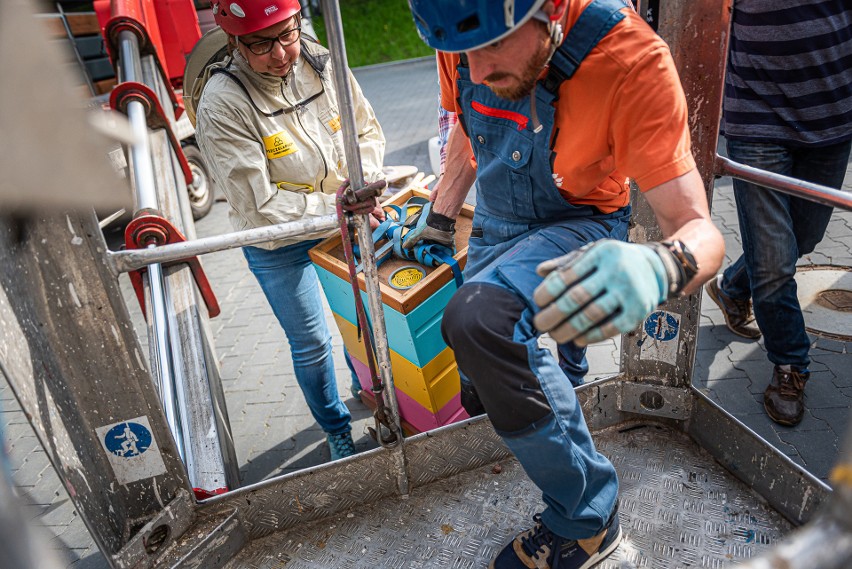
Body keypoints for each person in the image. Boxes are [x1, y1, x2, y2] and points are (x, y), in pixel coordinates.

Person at [402, 1, 725, 567]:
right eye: (461, 53)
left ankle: (587, 520)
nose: (475, 71)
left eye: (495, 45)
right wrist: (439, 212)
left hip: (578, 222)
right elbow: (468, 131)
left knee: (478, 322)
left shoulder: (630, 60)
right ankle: (532, 394)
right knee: (484, 371)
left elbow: (700, 231)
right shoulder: (460, 30)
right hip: (496, 222)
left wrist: (658, 268)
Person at [195, 0, 386, 460]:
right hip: (278, 242)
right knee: (312, 341)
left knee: (364, 322)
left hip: (341, 220)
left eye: (287, 34)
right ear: (234, 41)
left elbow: (367, 131)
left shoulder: (321, 62)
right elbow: (259, 204)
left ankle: (372, 393)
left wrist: (365, 184)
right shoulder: (222, 103)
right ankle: (335, 427)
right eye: (261, 44)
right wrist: (340, 203)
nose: (280, 53)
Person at [704, 0, 852, 427]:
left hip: (833, 116)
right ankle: (790, 365)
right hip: (758, 115)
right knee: (774, 264)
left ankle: (733, 288)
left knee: (801, 241)